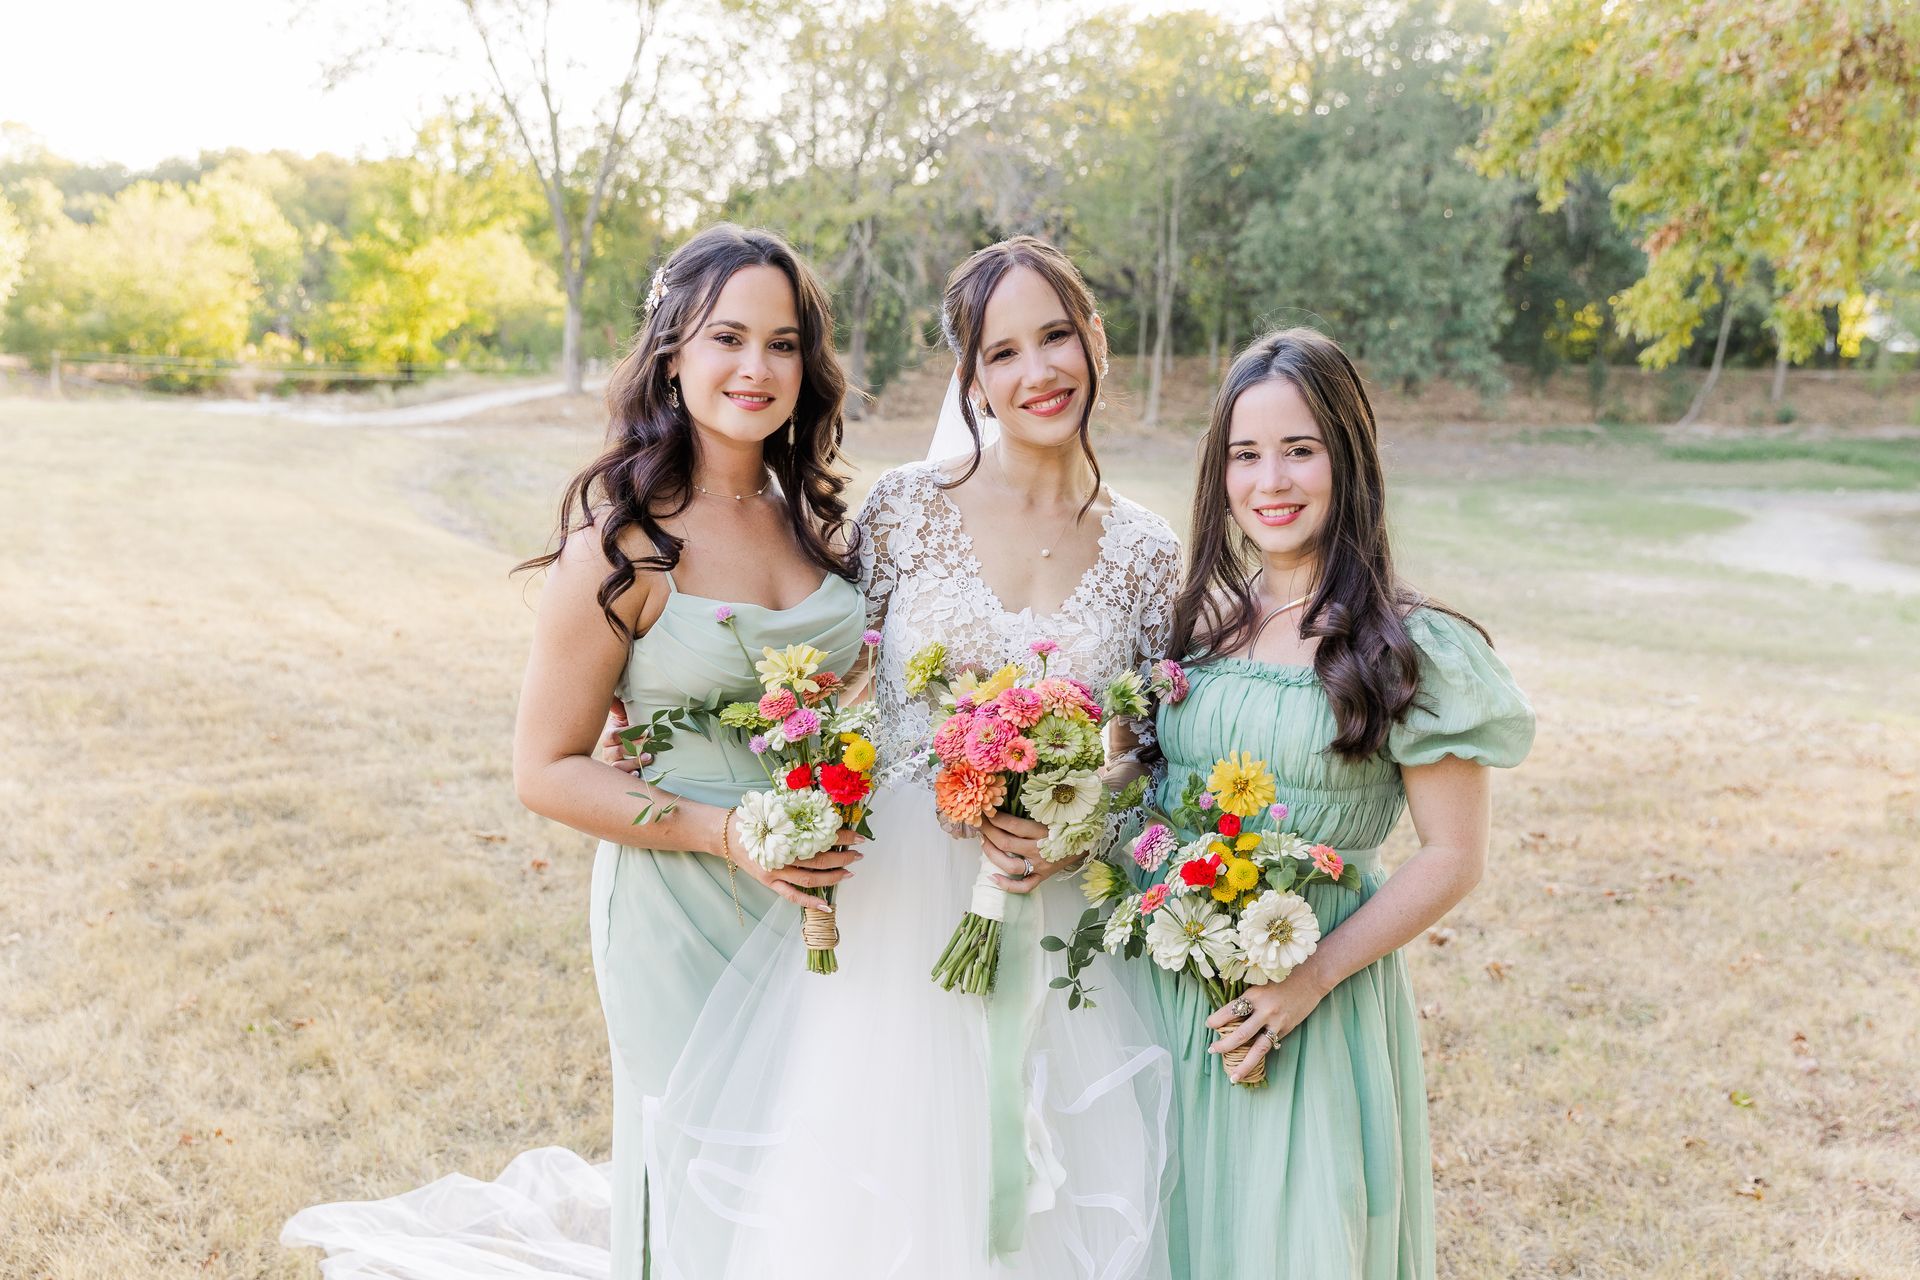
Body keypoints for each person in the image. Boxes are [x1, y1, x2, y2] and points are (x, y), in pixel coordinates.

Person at [282, 223, 869, 1280]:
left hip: (818, 892)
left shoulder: (819, 525)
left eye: (783, 344)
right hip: (679, 897)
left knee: (814, 1162)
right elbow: (543, 766)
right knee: (702, 1165)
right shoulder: (625, 543)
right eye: (726, 336)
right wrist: (726, 830)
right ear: (671, 352)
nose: (756, 367)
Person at [634, 236, 1179, 1278]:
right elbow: (818, 660)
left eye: (1058, 336)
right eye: (1003, 350)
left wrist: (1078, 823)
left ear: (1097, 339)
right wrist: (667, 705)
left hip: (1051, 908)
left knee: (1043, 1192)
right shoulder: (904, 511)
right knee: (880, 1193)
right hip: (896, 912)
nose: (1039, 371)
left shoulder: (1150, 550)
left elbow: (1150, 754)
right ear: (971, 378)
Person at [1124, 327, 1536, 1278]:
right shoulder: (1200, 625)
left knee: (1294, 1237)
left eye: (1300, 450)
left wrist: (1309, 979)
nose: (1271, 480)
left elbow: (1452, 856)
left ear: (1348, 459)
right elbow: (1151, 786)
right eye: (1245, 454)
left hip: (1319, 991)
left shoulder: (1406, 643)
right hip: (1176, 990)